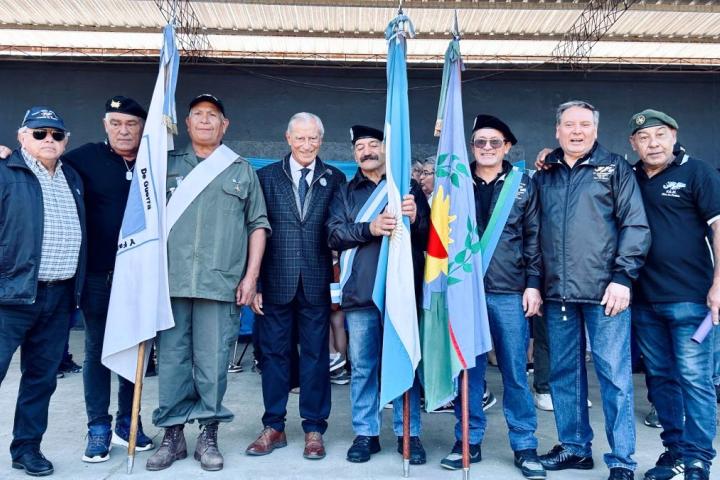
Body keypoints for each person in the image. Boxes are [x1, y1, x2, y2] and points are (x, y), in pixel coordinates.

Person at [146, 94, 270, 472]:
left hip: (220, 283)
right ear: (186, 123)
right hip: (171, 282)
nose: (204, 120)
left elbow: (258, 225)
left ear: (224, 125)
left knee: (214, 362)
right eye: (197, 114)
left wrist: (251, 277)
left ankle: (208, 434)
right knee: (172, 361)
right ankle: (172, 435)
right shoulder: (164, 165)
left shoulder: (241, 170)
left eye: (212, 115)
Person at [533, 100, 650, 480]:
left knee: (615, 378)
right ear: (557, 130)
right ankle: (575, 447)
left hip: (606, 293)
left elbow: (635, 225)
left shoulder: (615, 168)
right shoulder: (545, 173)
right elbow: (534, 232)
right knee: (564, 375)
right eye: (569, 124)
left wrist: (623, 277)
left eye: (585, 124)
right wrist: (535, 284)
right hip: (558, 294)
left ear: (596, 130)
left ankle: (622, 460)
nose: (577, 131)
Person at [436, 115, 544, 478]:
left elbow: (534, 238)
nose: (486, 148)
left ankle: (525, 445)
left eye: (494, 142)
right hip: (464, 292)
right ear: (471, 147)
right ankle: (467, 440)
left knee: (515, 372)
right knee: (468, 373)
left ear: (507, 146)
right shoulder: (455, 181)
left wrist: (533, 284)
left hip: (509, 292)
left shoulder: (523, 184)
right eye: (480, 142)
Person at [326, 125, 429, 465]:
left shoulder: (407, 188)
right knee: (363, 367)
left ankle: (408, 433)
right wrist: (369, 228)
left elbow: (430, 237)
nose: (367, 151)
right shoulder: (344, 191)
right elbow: (333, 234)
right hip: (361, 293)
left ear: (386, 148)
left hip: (402, 293)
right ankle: (366, 433)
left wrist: (416, 217)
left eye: (373, 144)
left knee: (404, 362)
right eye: (360, 147)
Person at [62, 96, 156, 462]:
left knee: (135, 351)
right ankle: (98, 427)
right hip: (98, 277)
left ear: (142, 128)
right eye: (116, 123)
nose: (123, 131)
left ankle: (128, 422)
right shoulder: (82, 158)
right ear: (105, 125)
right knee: (98, 352)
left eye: (131, 124)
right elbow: (42, 163)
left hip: (140, 277)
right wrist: (8, 154)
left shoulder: (155, 161)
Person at [247, 112, 345, 460]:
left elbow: (338, 229)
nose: (306, 145)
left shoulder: (334, 178)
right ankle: (273, 426)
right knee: (273, 356)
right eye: (300, 138)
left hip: (316, 282)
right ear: (288, 139)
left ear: (321, 140)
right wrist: (254, 281)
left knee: (316, 357)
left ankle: (314, 428)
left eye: (313, 138)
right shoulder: (265, 177)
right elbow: (254, 230)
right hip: (275, 282)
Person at [627, 109, 719, 480]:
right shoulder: (629, 177)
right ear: (633, 143)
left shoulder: (698, 172)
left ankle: (698, 459)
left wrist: (719, 284)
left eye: (660, 135)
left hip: (691, 301)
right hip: (645, 301)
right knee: (660, 379)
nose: (653, 143)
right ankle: (676, 452)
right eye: (644, 137)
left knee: (695, 380)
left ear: (674, 136)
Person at [0, 107, 86, 477]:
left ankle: (27, 449)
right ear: (22, 137)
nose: (48, 139)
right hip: (9, 297)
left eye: (56, 134)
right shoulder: (5, 172)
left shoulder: (73, 176)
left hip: (59, 296)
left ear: (66, 141)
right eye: (39, 133)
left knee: (41, 379)